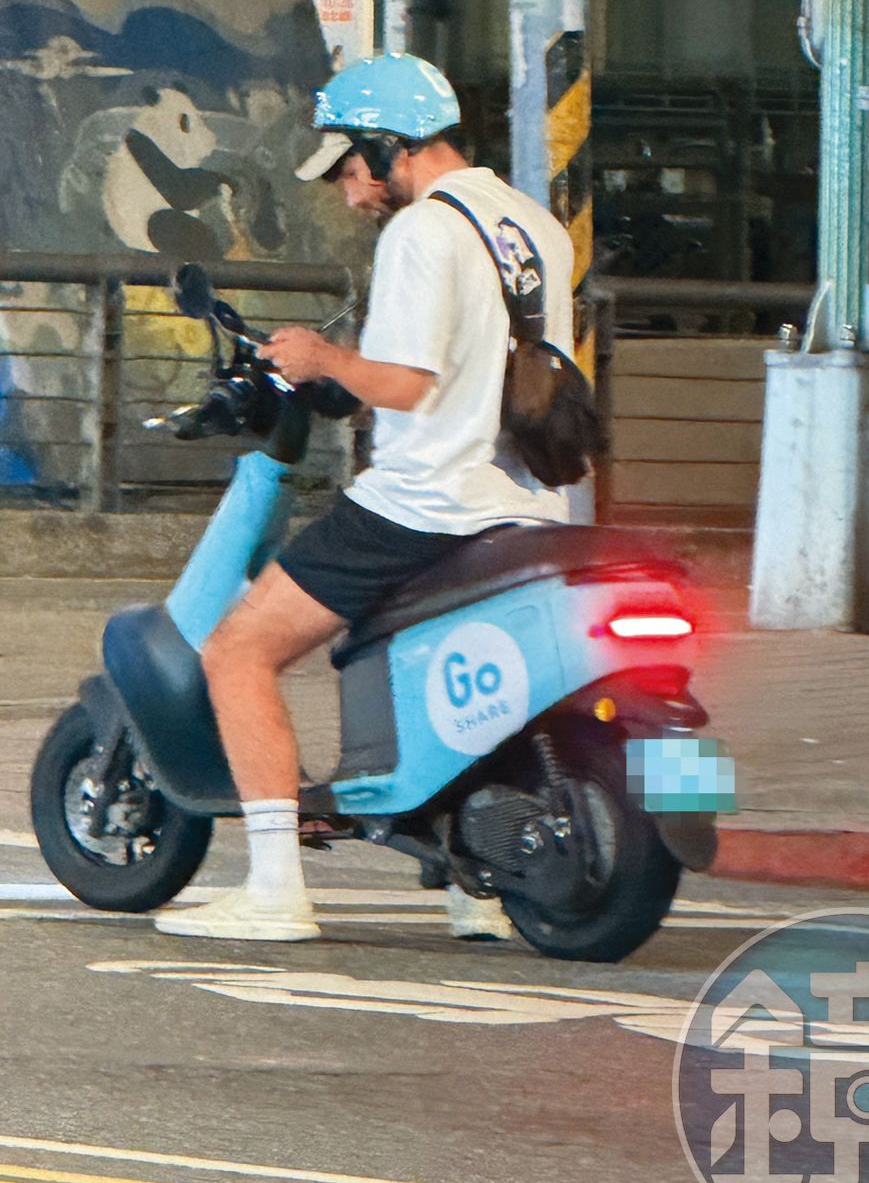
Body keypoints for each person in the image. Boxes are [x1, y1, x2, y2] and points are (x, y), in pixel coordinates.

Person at [155, 53, 579, 945]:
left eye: (352, 168)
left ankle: (274, 888)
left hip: (423, 502)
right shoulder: (535, 223)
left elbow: (409, 382)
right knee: (441, 676)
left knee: (238, 649)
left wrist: (317, 360)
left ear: (392, 146)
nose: (351, 195)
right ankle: (480, 886)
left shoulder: (423, 232)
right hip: (526, 505)